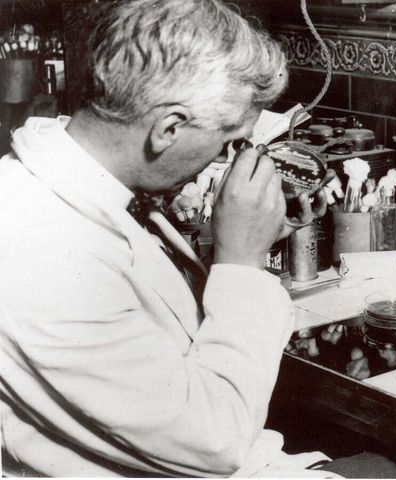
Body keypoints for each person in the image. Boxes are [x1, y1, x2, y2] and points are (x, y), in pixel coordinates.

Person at [0, 0, 335, 476]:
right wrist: (242, 263)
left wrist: (242, 238)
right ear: (169, 128)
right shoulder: (44, 252)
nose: (226, 157)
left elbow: (154, 314)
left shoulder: (88, 185)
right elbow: (216, 441)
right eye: (228, 141)